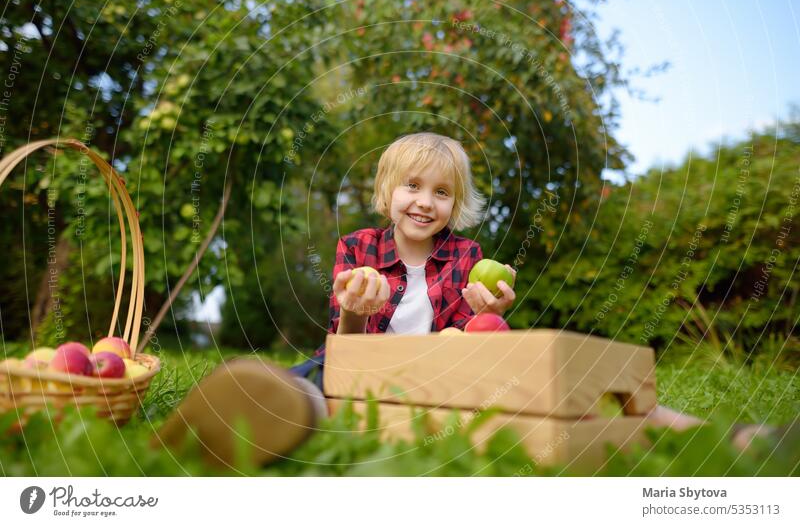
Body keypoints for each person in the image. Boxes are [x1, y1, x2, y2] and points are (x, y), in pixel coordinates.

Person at [154, 132, 777, 469]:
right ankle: (241, 418)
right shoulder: (358, 247)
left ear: (457, 204)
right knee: (317, 384)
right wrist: (355, 307)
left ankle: (729, 436)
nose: (425, 202)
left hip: (439, 376)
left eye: (442, 192)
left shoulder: (466, 255)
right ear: (387, 192)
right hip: (353, 367)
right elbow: (345, 346)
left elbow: (467, 342)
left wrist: (490, 313)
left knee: (546, 391)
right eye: (412, 186)